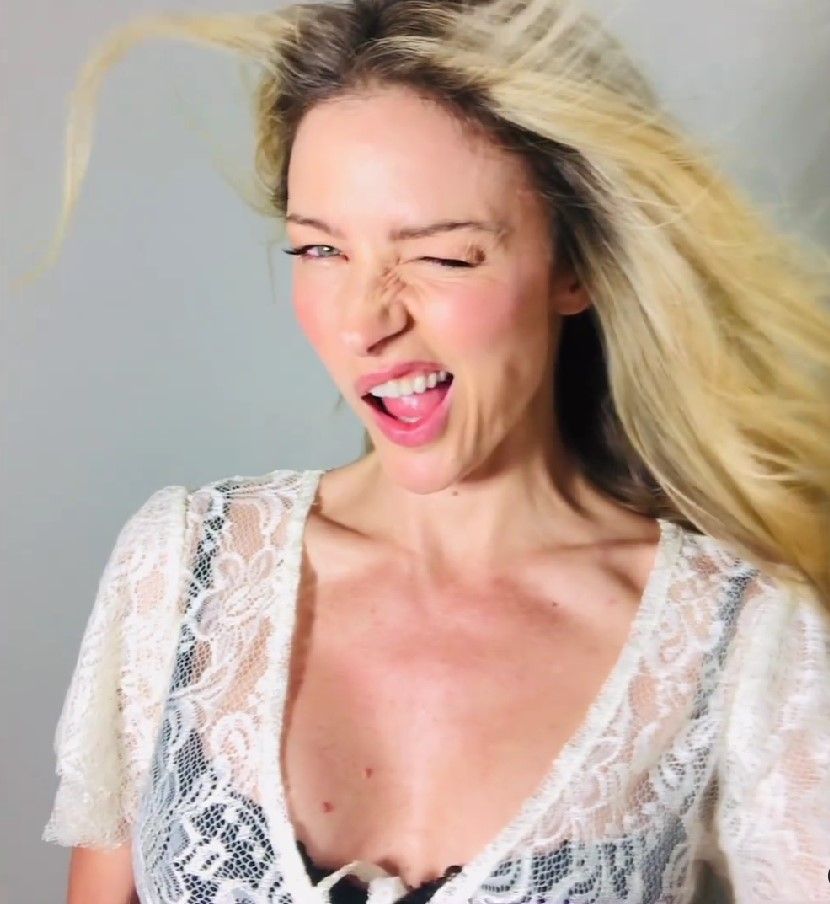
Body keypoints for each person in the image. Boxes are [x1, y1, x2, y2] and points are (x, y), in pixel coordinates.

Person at [37, 0, 830, 902]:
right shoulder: (184, 570)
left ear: (574, 266)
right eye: (319, 250)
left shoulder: (743, 637)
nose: (363, 322)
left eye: (445, 258)